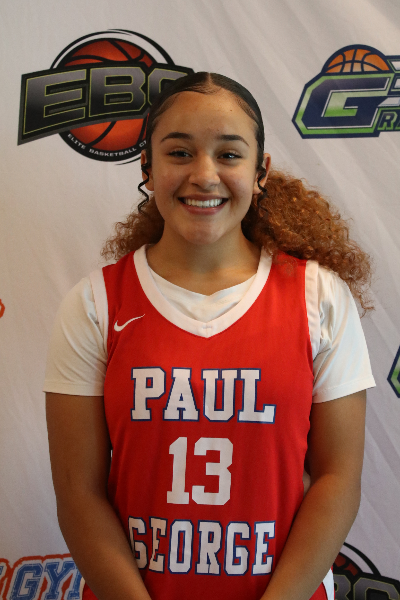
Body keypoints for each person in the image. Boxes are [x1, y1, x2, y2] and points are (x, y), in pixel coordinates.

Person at [45, 72, 375, 600]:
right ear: (147, 167)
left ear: (260, 171)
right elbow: (78, 493)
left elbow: (339, 480)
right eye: (179, 153)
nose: (203, 175)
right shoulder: (95, 304)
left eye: (228, 155)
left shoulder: (320, 298)